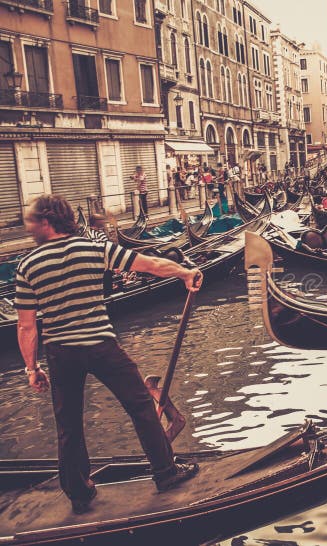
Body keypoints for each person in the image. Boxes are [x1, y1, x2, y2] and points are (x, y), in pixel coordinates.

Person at [16, 195, 202, 515]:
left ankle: (78, 493)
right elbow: (151, 264)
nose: (29, 226)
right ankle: (166, 473)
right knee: (141, 406)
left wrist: (31, 368)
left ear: (47, 222)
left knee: (69, 423)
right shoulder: (95, 249)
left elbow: (26, 326)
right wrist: (184, 273)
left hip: (62, 353)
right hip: (101, 345)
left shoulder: (28, 265)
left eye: (32, 221)